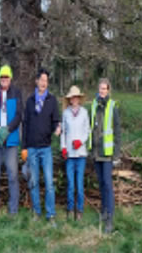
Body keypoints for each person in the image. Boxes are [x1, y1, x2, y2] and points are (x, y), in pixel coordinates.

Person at [21, 69, 60, 225]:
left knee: (49, 183)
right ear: (36, 81)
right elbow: (26, 124)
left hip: (46, 148)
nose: (44, 83)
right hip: (31, 148)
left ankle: (50, 215)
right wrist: (24, 148)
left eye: (46, 80)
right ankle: (36, 212)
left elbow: (55, 121)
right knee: (34, 182)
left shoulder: (52, 100)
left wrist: (57, 128)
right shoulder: (30, 101)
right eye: (41, 80)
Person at [0, 65, 23, 217]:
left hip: (11, 140)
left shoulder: (16, 93)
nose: (4, 80)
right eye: (2, 77)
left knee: (12, 175)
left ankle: (13, 209)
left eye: (6, 77)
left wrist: (7, 129)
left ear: (10, 78)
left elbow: (19, 115)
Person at [89, 78, 121, 234]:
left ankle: (110, 217)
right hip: (96, 151)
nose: (102, 91)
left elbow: (117, 131)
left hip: (107, 153)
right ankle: (103, 212)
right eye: (100, 88)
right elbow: (92, 127)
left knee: (108, 185)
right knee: (101, 183)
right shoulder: (94, 104)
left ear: (108, 90)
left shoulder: (112, 106)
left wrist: (116, 154)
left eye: (104, 89)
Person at [60, 85, 90, 221]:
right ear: (70, 99)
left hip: (81, 153)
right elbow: (63, 132)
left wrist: (81, 141)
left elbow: (87, 131)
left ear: (79, 98)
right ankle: (70, 209)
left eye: (76, 97)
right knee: (71, 184)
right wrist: (63, 147)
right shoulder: (66, 113)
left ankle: (80, 210)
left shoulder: (84, 112)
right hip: (70, 155)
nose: (75, 99)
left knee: (79, 184)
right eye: (72, 97)